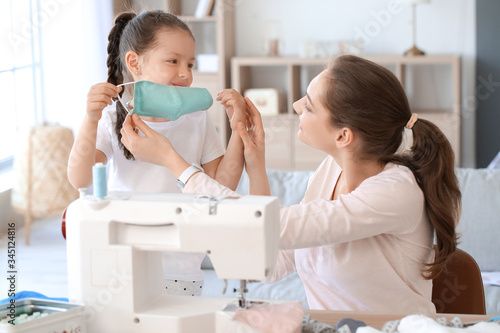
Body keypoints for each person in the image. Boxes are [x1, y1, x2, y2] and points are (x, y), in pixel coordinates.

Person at [119, 55, 461, 314]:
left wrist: (173, 162)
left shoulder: (394, 193)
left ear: (344, 136)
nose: (297, 106)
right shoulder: (330, 171)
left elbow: (274, 226)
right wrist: (257, 167)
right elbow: (269, 263)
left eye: (309, 106)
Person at [67, 10, 246, 296]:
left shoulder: (197, 118)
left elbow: (221, 187)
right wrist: (89, 119)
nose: (186, 74)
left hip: (183, 268)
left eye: (190, 63)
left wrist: (238, 129)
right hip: (122, 264)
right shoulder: (111, 115)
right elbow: (81, 179)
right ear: (134, 63)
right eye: (173, 61)